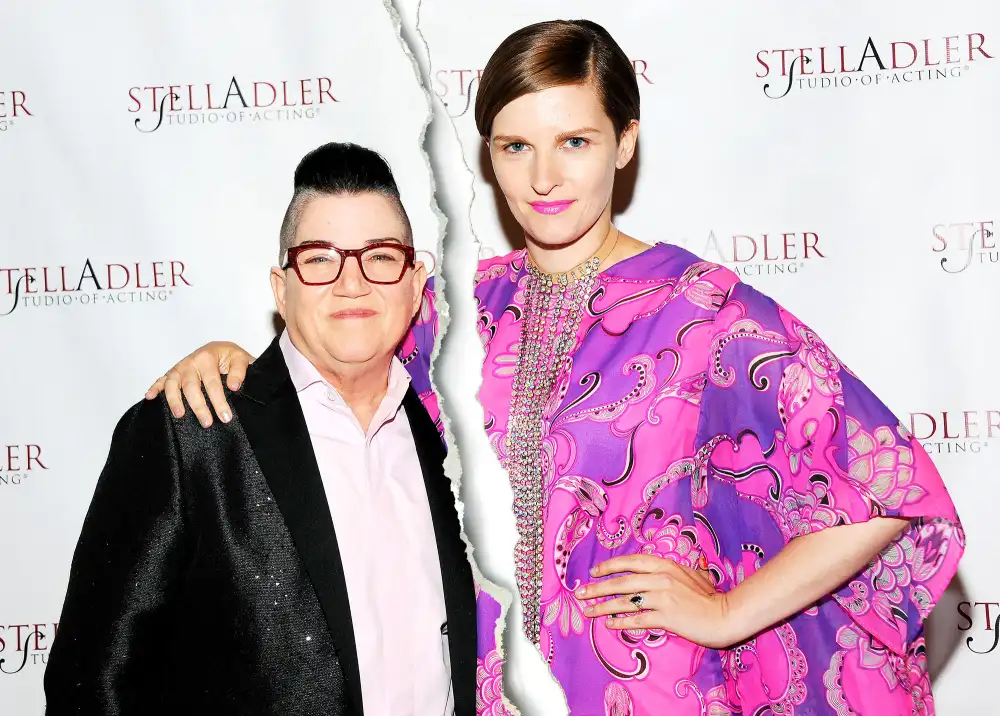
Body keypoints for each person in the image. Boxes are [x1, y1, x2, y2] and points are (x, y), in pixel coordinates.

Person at [145, 20, 964, 715]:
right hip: (484, 688)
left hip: (656, 690)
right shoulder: (457, 309)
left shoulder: (705, 313)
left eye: (574, 141)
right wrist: (234, 360)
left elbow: (890, 489)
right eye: (515, 146)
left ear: (625, 142)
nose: (542, 178)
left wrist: (724, 613)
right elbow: (336, 345)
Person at [45, 142, 479, 716]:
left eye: (379, 256)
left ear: (415, 279)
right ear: (281, 287)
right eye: (320, 258)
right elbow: (93, 685)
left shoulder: (447, 431)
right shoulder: (192, 431)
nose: (352, 283)